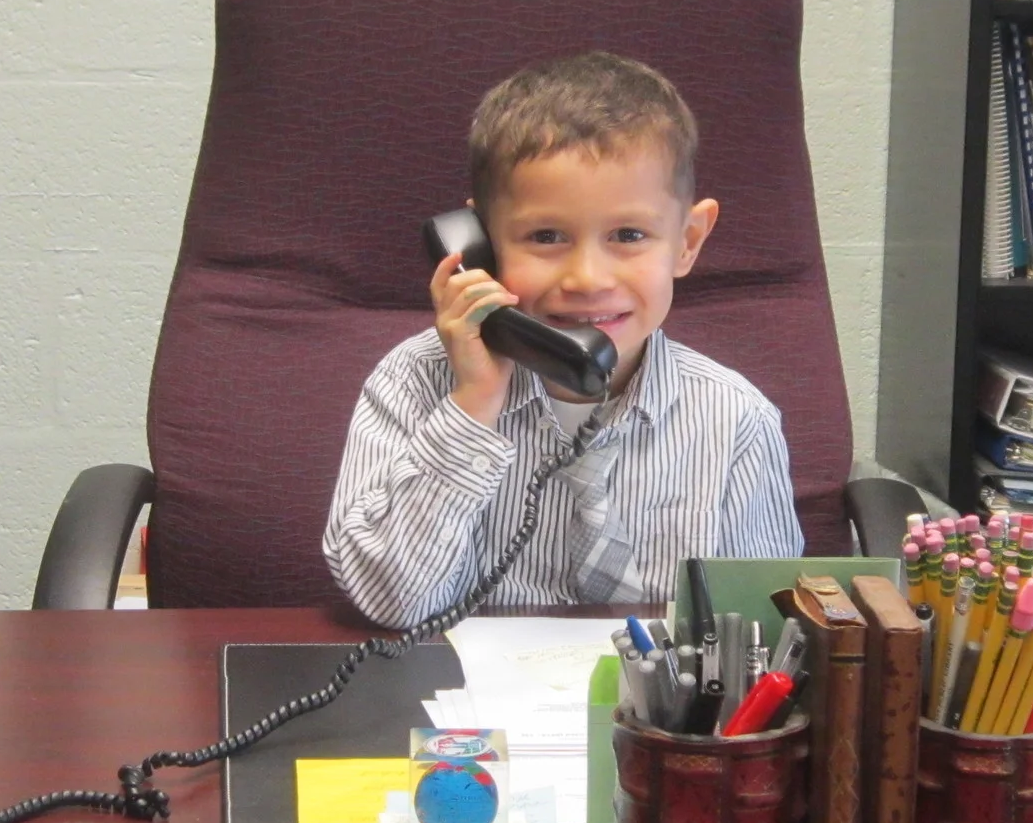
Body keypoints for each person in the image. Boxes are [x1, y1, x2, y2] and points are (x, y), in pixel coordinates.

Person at [323, 51, 802, 626]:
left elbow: (759, 631)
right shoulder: (414, 381)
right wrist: (473, 405)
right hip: (461, 705)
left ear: (687, 240)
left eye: (628, 234)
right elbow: (388, 601)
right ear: (480, 245)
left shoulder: (734, 420)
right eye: (546, 236)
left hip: (652, 712)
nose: (587, 279)